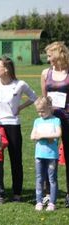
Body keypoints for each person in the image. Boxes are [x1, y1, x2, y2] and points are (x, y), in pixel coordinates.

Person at [0, 56, 37, 202]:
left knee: (16, 159)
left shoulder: (20, 84)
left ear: (6, 69)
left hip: (13, 124)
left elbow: (33, 97)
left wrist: (20, 107)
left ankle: (17, 193)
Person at [41, 41, 69, 207]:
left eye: (50, 54)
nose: (48, 57)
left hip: (67, 118)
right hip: (50, 119)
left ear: (59, 53)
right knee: (47, 155)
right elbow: (44, 98)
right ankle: (47, 193)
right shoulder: (46, 73)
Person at [31, 96, 61, 212]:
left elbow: (58, 134)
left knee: (52, 178)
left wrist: (43, 136)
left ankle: (52, 203)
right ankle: (39, 201)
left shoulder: (55, 120)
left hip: (52, 155)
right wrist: (45, 137)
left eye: (42, 111)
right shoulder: (37, 121)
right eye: (38, 111)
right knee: (39, 178)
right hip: (39, 155)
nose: (40, 114)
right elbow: (32, 136)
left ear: (49, 108)